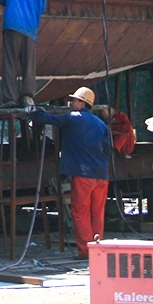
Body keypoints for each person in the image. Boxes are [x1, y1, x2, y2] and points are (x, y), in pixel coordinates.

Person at [30, 86, 111, 260]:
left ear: (83, 103)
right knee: (97, 213)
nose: (70, 103)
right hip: (102, 175)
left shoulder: (73, 118)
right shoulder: (101, 124)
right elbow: (108, 148)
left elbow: (48, 119)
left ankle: (85, 252)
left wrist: (32, 110)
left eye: (73, 100)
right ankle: (98, 249)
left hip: (83, 175)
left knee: (80, 213)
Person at [0, 0, 48, 107]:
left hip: (12, 24)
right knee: (28, 64)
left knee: (10, 62)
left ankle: (10, 99)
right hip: (31, 29)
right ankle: (27, 97)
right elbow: (42, 8)